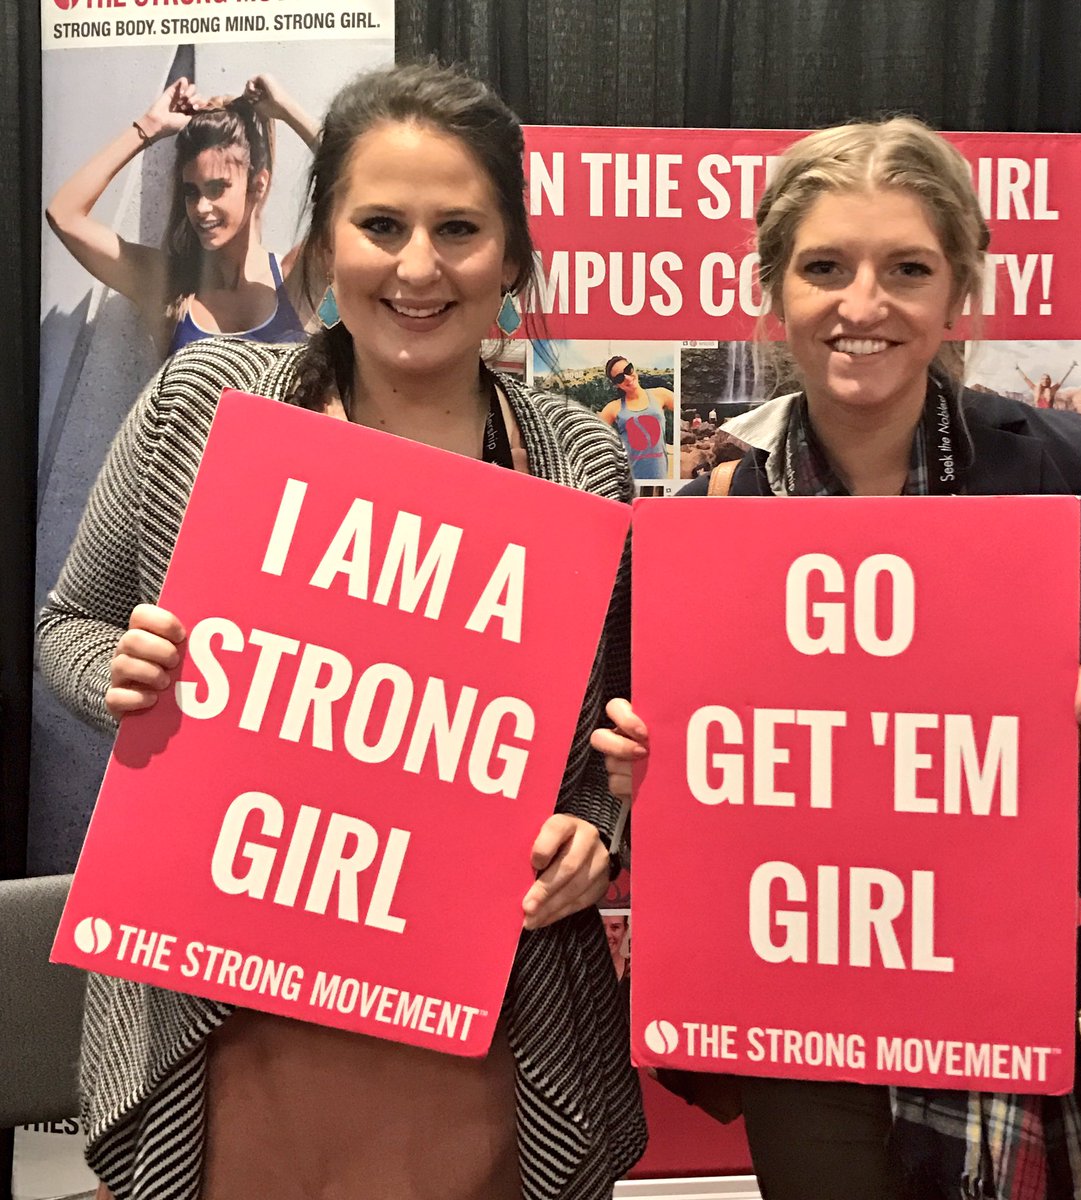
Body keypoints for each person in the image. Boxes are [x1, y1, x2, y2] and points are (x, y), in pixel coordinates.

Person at [37, 61, 645, 1200]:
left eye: (459, 228)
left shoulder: (583, 464)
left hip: (485, 1022)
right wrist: (119, 669)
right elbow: (66, 623)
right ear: (324, 243)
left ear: (511, 257)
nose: (418, 267)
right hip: (228, 1025)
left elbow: (612, 750)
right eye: (381, 224)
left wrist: (597, 833)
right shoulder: (202, 406)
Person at [592, 117, 1081, 1200]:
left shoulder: (1069, 468)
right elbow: (666, 765)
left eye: (907, 269)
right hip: (801, 1019)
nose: (862, 306)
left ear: (960, 291)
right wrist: (648, 776)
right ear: (772, 289)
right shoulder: (709, 517)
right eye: (824, 267)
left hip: (1021, 1004)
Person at [46, 74, 318, 358]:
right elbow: (64, 215)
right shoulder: (170, 288)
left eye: (216, 188)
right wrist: (149, 126)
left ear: (258, 185)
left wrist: (287, 110)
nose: (201, 207)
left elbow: (360, 186)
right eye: (191, 192)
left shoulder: (294, 278)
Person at [599, 355, 675, 480]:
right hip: (631, 480)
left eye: (628, 370)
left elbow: (684, 409)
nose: (628, 378)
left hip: (660, 477)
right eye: (620, 378)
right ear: (616, 385)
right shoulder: (613, 408)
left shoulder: (661, 394)